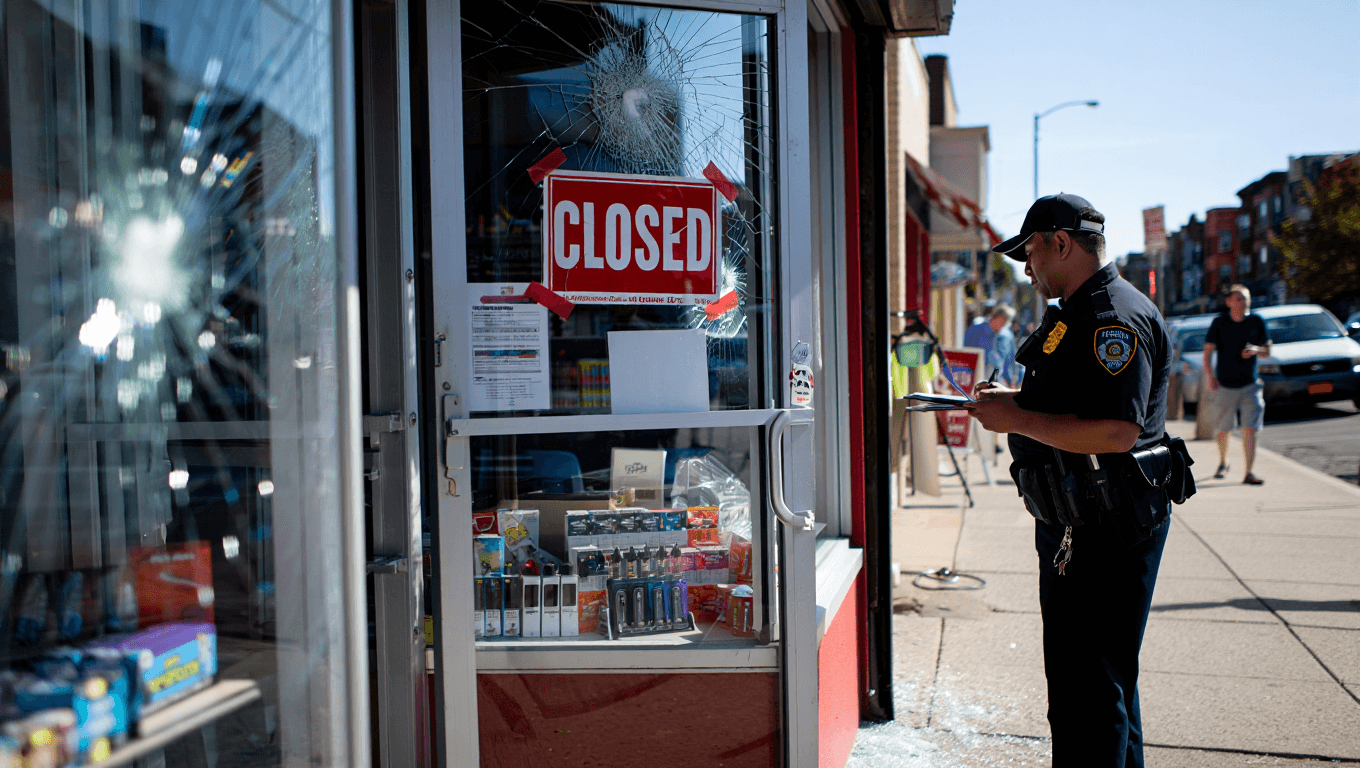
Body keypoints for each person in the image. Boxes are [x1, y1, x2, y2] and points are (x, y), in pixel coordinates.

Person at [965, 194, 1172, 768]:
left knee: (1089, 694)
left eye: (1029, 252)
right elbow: (1073, 403)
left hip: (1108, 527)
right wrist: (1015, 403)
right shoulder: (1078, 312)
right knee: (1098, 686)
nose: (1025, 267)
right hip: (1079, 522)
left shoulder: (1113, 318)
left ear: (1061, 243)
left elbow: (1117, 432)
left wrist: (1019, 419)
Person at [1203, 285, 1271, 485]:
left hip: (1250, 384)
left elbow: (1267, 350)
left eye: (1246, 298)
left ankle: (1249, 471)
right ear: (1229, 302)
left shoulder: (1256, 321)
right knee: (1224, 428)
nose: (1243, 302)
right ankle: (1224, 461)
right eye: (1239, 298)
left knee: (1250, 428)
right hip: (1225, 384)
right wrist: (1210, 376)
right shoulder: (1220, 323)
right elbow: (1208, 353)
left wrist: (1255, 350)